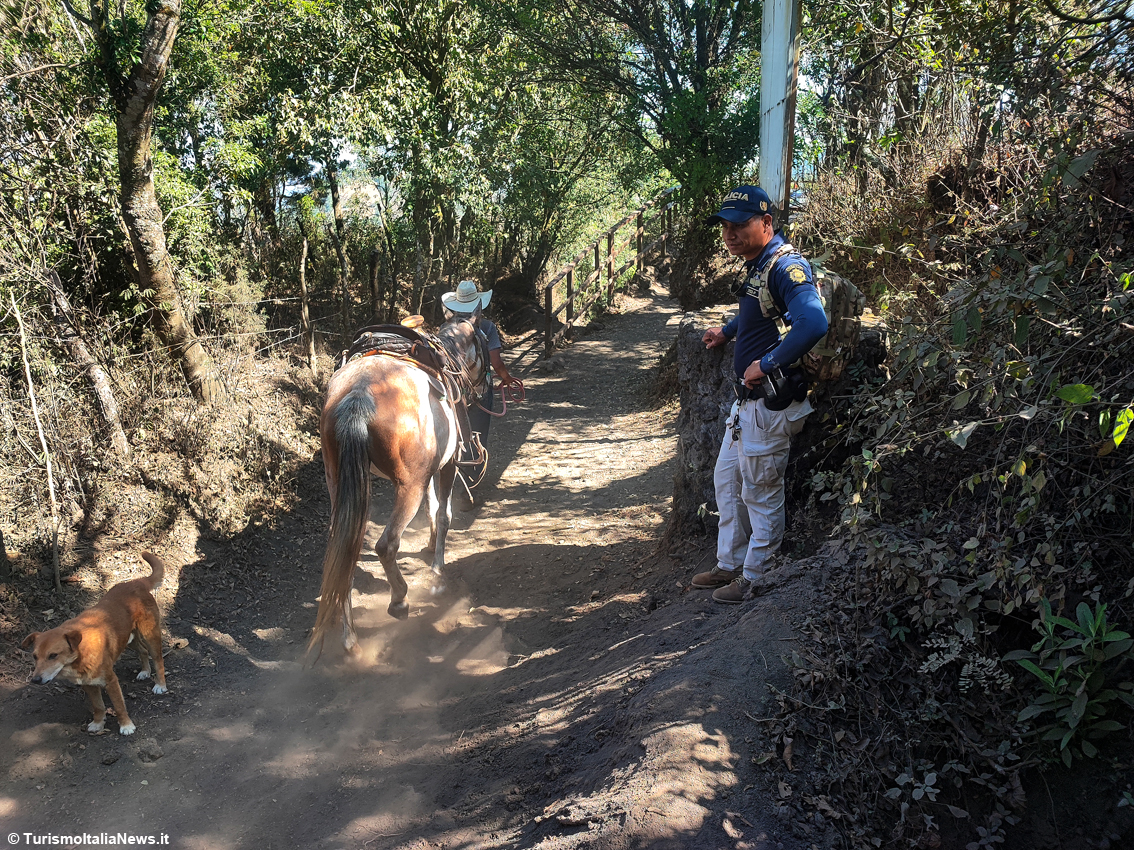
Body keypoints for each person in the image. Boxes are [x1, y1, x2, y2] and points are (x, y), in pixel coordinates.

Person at [692, 185, 828, 603]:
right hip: (748, 404)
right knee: (727, 480)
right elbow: (757, 311)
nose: (730, 234)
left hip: (772, 402)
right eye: (725, 227)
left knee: (761, 489)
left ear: (766, 223)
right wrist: (727, 331)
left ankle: (757, 576)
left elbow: (814, 323)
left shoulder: (786, 268)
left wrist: (766, 363)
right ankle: (729, 564)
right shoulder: (760, 265)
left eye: (740, 224)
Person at [441, 279, 521, 484]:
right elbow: (496, 361)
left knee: (452, 432)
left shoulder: (446, 329)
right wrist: (507, 378)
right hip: (479, 390)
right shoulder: (487, 327)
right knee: (477, 434)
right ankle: (471, 480)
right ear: (478, 304)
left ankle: (449, 476)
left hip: (451, 390)